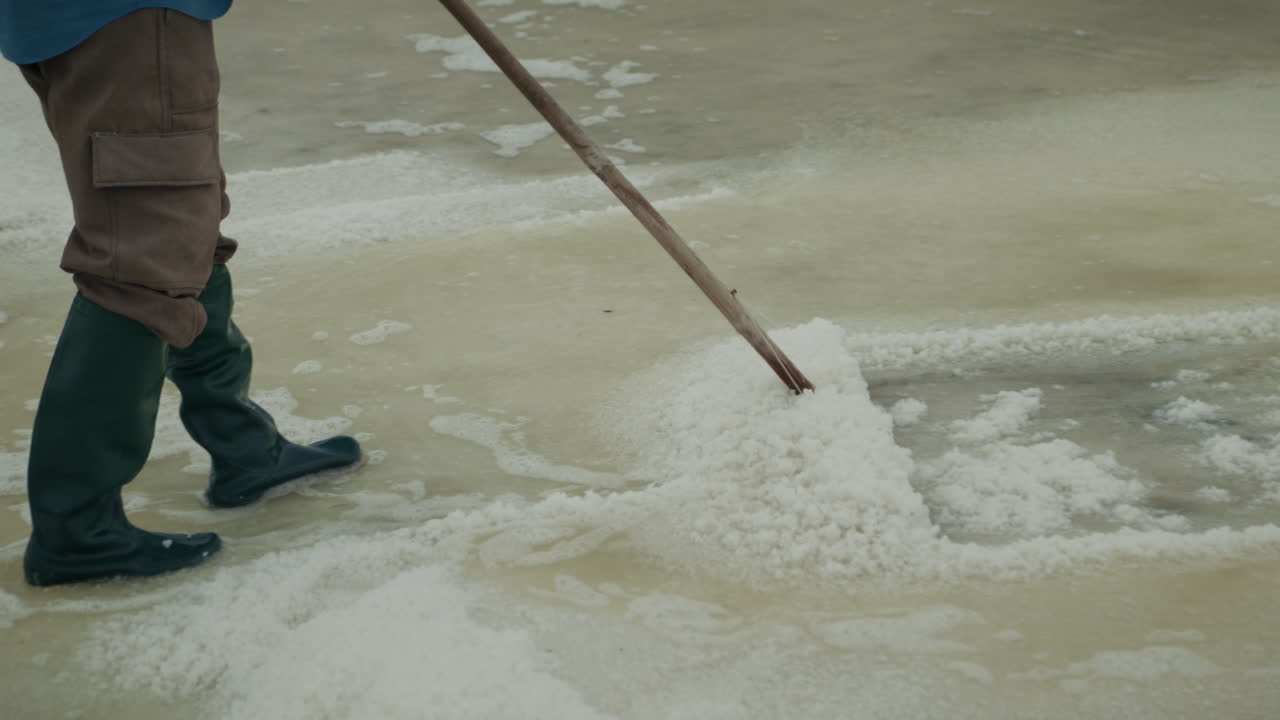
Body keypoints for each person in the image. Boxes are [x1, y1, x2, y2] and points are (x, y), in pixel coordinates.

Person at [0, 2, 364, 586]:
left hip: (86, 20)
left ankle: (244, 448)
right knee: (142, 259)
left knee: (182, 230)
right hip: (127, 16)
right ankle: (78, 532)